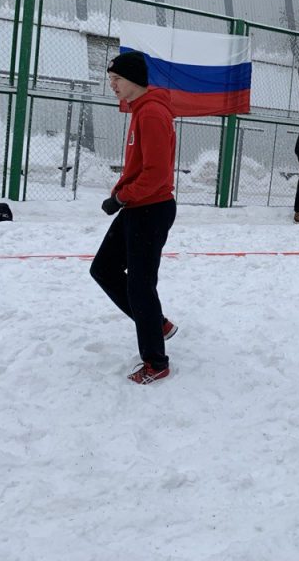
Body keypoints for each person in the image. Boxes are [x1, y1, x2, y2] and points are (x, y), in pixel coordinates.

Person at [89, 50, 178, 385]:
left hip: (151, 209)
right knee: (103, 269)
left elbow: (155, 174)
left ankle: (156, 362)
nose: (112, 85)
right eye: (111, 79)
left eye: (117, 79)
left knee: (140, 285)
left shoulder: (152, 113)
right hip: (138, 206)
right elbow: (138, 166)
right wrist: (119, 194)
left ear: (135, 80)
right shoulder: (140, 110)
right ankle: (158, 323)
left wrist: (122, 197)